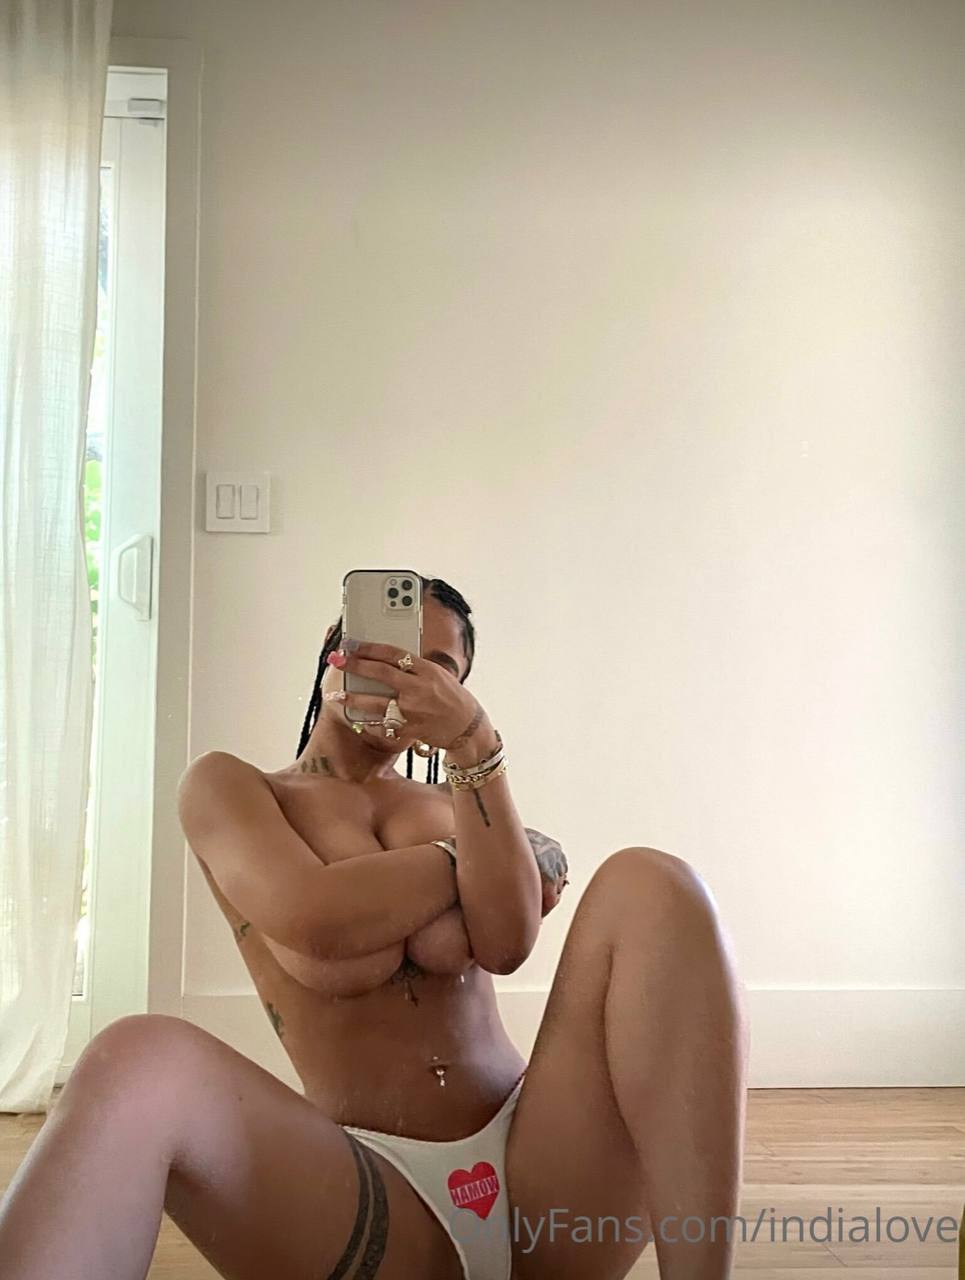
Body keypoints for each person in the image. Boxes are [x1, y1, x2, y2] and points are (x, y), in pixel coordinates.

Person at [0, 574, 748, 1280]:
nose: (409, 677)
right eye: (393, 649)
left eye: (440, 670)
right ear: (337, 651)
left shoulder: (456, 799)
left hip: (542, 1169)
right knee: (137, 1056)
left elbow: (507, 941)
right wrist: (468, 858)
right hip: (367, 1189)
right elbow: (316, 917)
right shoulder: (236, 788)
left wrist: (476, 746)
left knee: (654, 882)